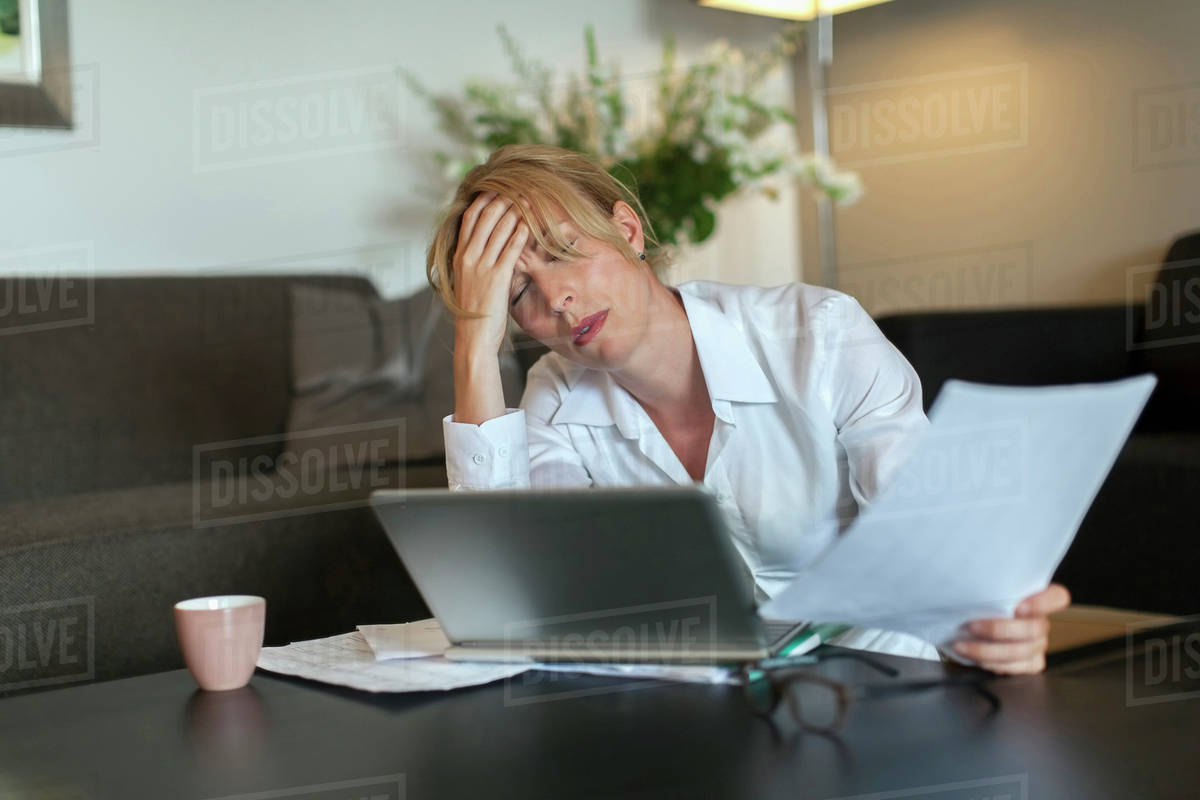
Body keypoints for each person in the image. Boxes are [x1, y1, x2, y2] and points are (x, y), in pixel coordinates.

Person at [426, 143, 1069, 674]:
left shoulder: (819, 333)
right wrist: (472, 347)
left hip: (882, 688)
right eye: (518, 296)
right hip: (694, 717)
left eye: (565, 253)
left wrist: (990, 621)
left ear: (627, 230)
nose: (558, 299)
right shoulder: (554, 396)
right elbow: (510, 602)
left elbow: (927, 531)